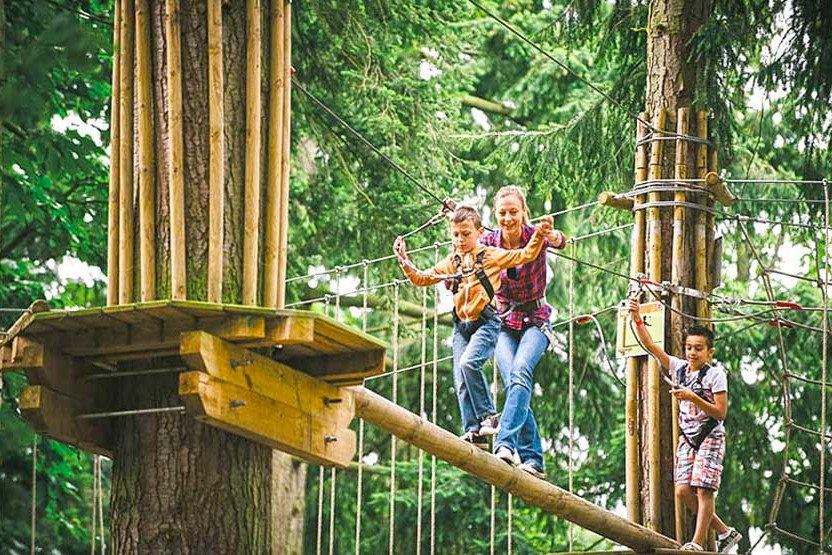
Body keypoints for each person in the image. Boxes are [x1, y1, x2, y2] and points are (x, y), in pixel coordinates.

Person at [394, 205, 552, 449]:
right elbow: (421, 278)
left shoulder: (491, 255)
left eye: (466, 234)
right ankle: (474, 432)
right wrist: (404, 261)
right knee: (460, 379)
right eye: (455, 234)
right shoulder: (452, 262)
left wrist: (539, 235)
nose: (460, 239)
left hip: (486, 323)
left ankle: (489, 415)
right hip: (461, 326)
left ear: (479, 232)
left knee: (469, 364)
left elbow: (525, 255)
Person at [628, 297, 742, 553]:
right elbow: (651, 346)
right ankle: (725, 532)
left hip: (709, 436)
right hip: (688, 438)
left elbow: (720, 412)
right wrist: (636, 316)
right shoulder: (679, 368)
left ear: (709, 352)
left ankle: (697, 544)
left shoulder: (715, 375)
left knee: (704, 490)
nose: (692, 352)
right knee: (682, 491)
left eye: (699, 348)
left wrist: (693, 398)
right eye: (689, 347)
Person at [479, 186, 566, 480]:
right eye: (502, 213)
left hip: (536, 321)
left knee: (520, 372)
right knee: (516, 383)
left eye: (513, 212)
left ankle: (505, 444)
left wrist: (550, 234)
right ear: (495, 214)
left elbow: (560, 241)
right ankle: (533, 460)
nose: (508, 218)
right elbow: (467, 249)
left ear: (523, 212)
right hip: (504, 322)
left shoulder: (534, 236)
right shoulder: (488, 241)